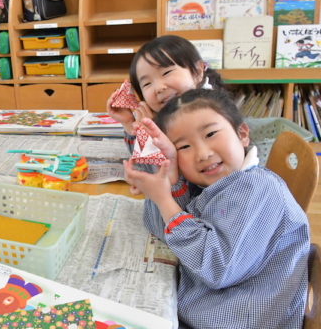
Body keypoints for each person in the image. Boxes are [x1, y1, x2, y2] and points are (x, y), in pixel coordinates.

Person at [124, 89, 309, 329]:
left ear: (242, 134)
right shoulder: (215, 183)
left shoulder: (256, 188)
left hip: (238, 319)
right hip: (202, 307)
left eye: (211, 134)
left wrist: (164, 201)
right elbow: (161, 230)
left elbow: (216, 269)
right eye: (183, 147)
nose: (203, 154)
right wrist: (171, 178)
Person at [107, 35, 224, 175]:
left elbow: (170, 176)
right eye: (147, 84)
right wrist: (130, 124)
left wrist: (153, 137)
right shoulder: (159, 116)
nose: (159, 88)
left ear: (198, 70)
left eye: (167, 72)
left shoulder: (212, 113)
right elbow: (145, 167)